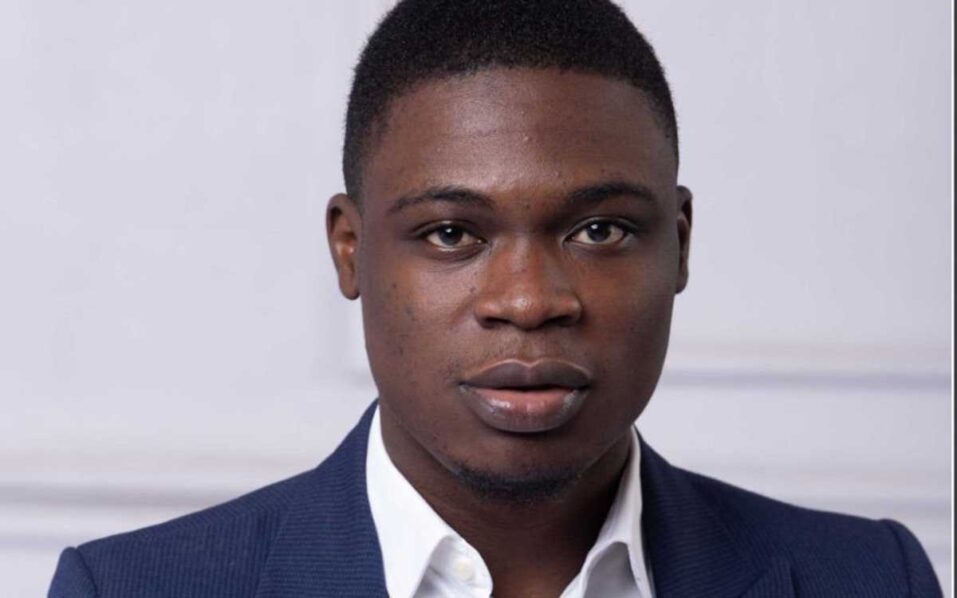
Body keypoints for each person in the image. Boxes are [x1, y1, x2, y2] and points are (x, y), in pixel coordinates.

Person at [48, 1, 942, 596]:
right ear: (350, 249)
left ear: (679, 241)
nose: (527, 301)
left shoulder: (868, 579)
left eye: (599, 230)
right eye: (451, 234)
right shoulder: (129, 590)